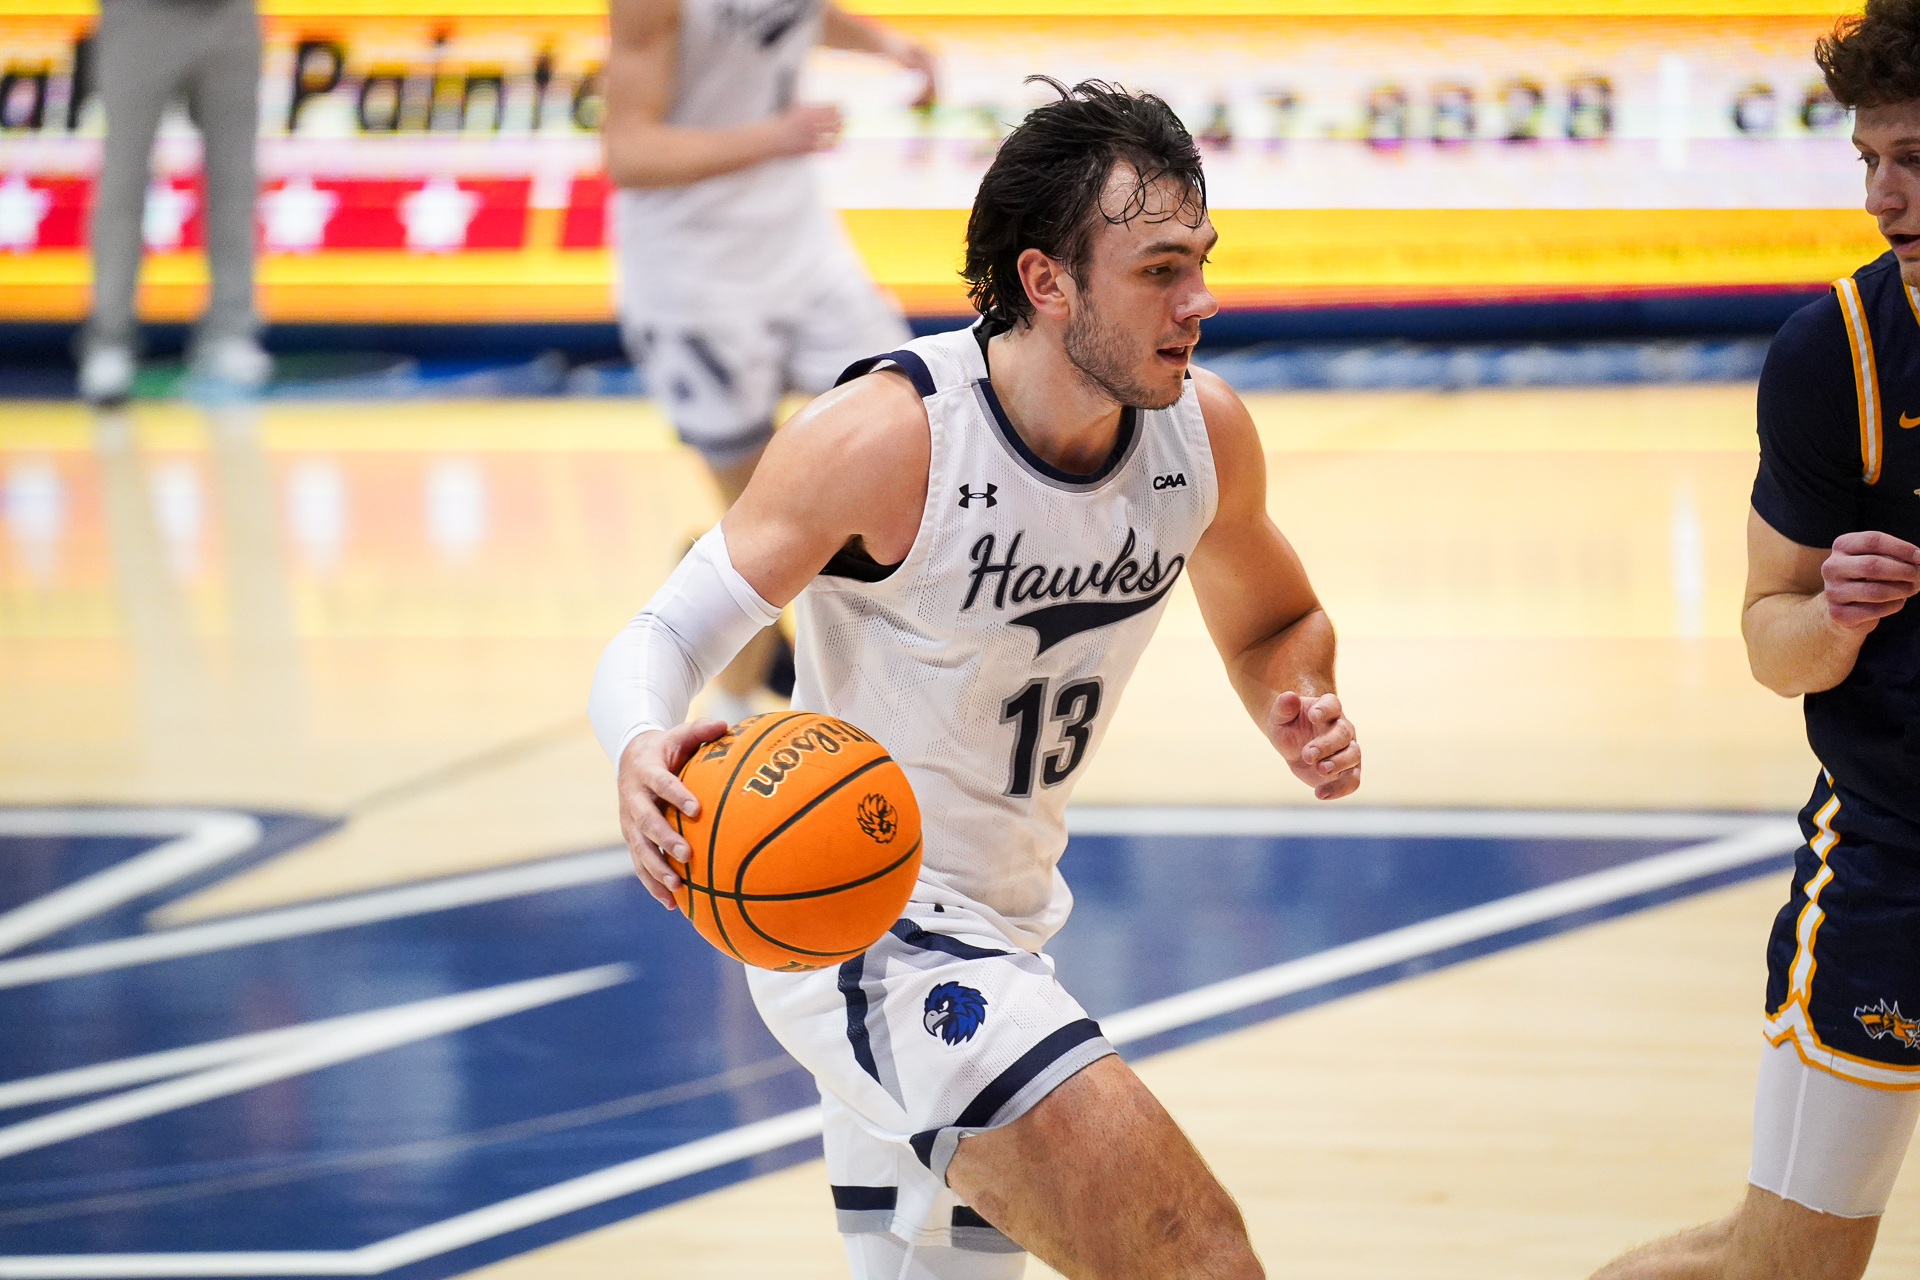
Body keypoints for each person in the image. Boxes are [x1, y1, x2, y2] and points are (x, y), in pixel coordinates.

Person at [590, 80, 1362, 1279]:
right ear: (1047, 280)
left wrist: (1295, 700)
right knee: (1199, 1259)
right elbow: (664, 630)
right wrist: (641, 737)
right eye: (1160, 269)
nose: (1200, 301)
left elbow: (1280, 620)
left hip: (1005, 928)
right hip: (858, 919)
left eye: (1202, 260)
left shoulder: (1201, 435)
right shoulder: (888, 436)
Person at [1590, 5, 1920, 1278]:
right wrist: (1832, 612)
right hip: (1897, 858)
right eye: (1868, 160)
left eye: (1918, 160)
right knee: (1780, 1265)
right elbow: (1767, 638)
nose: (1886, 198)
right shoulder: (1833, 351)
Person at [602, 0, 934, 723]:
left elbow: (794, 14)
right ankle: (731, 723)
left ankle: (877, 665)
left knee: (917, 431)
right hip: (695, 274)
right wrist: (773, 135)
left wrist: (891, 48)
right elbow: (626, 152)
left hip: (801, 246)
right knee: (763, 527)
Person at [79, 0, 272, 405]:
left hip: (228, 14)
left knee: (235, 179)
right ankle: (109, 340)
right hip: (139, 15)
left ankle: (230, 332)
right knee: (123, 179)